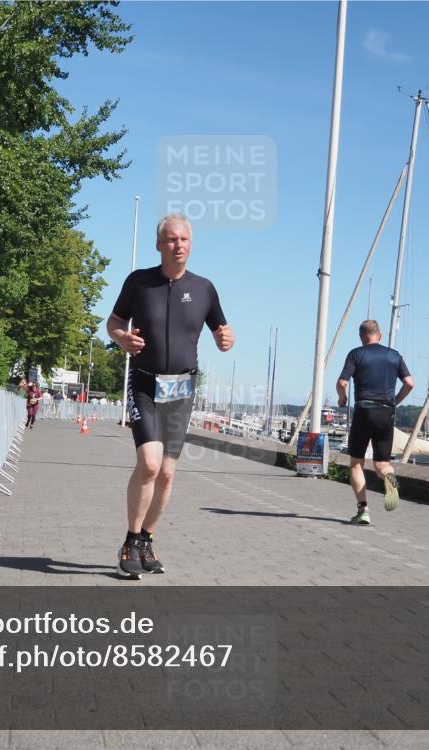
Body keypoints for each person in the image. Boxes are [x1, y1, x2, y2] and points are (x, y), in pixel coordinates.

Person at [106, 213, 234, 579]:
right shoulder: (138, 283)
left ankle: (147, 539)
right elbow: (114, 322)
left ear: (191, 245)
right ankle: (130, 541)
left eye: (184, 240)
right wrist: (121, 338)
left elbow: (222, 332)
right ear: (159, 245)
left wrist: (227, 339)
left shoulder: (205, 288)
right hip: (145, 383)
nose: (178, 245)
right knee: (148, 463)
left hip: (181, 389)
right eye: (171, 239)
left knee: (167, 473)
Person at [336, 320, 414, 525]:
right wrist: (395, 401)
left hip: (364, 410)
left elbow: (342, 382)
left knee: (356, 463)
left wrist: (342, 398)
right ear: (379, 335)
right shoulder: (394, 355)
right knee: (382, 464)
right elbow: (410, 383)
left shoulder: (356, 354)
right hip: (386, 412)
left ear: (362, 337)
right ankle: (390, 479)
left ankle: (363, 511)